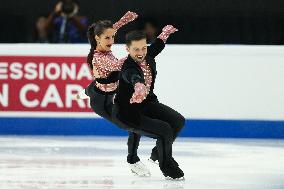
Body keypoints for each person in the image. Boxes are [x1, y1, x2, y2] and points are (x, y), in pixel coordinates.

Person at [76, 11, 151, 177]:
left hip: (109, 90)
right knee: (134, 126)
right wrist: (136, 51)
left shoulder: (102, 41)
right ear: (97, 38)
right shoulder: (99, 58)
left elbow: (111, 29)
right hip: (102, 103)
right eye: (108, 38)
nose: (111, 41)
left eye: (112, 37)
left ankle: (87, 91)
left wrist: (124, 20)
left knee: (100, 84)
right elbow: (119, 66)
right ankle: (133, 161)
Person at [112, 26, 185, 180]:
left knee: (178, 121)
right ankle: (168, 167)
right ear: (127, 49)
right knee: (165, 130)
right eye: (136, 49)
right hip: (128, 112)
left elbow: (157, 47)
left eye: (143, 48)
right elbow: (132, 76)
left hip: (147, 104)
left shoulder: (148, 55)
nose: (140, 53)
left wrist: (165, 33)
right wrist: (138, 85)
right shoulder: (128, 66)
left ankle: (158, 153)